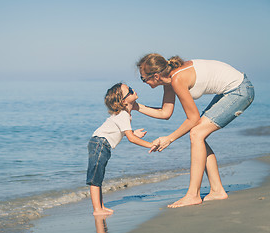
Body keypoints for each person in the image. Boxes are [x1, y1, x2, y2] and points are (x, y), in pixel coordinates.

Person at [135, 53, 254, 208]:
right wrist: (136, 107)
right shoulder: (169, 80)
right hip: (233, 90)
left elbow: (193, 119)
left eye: (143, 78)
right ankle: (217, 190)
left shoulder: (177, 79)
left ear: (156, 76)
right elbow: (165, 113)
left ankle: (193, 195)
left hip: (240, 90)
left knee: (196, 133)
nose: (143, 82)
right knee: (198, 134)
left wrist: (169, 138)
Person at [86, 83, 159, 215]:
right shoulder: (123, 115)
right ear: (123, 101)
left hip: (101, 143)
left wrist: (133, 132)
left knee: (99, 176)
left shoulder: (125, 114)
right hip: (100, 143)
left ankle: (100, 206)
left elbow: (119, 131)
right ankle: (97, 209)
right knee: (95, 177)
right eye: (130, 91)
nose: (133, 90)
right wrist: (150, 144)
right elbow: (131, 138)